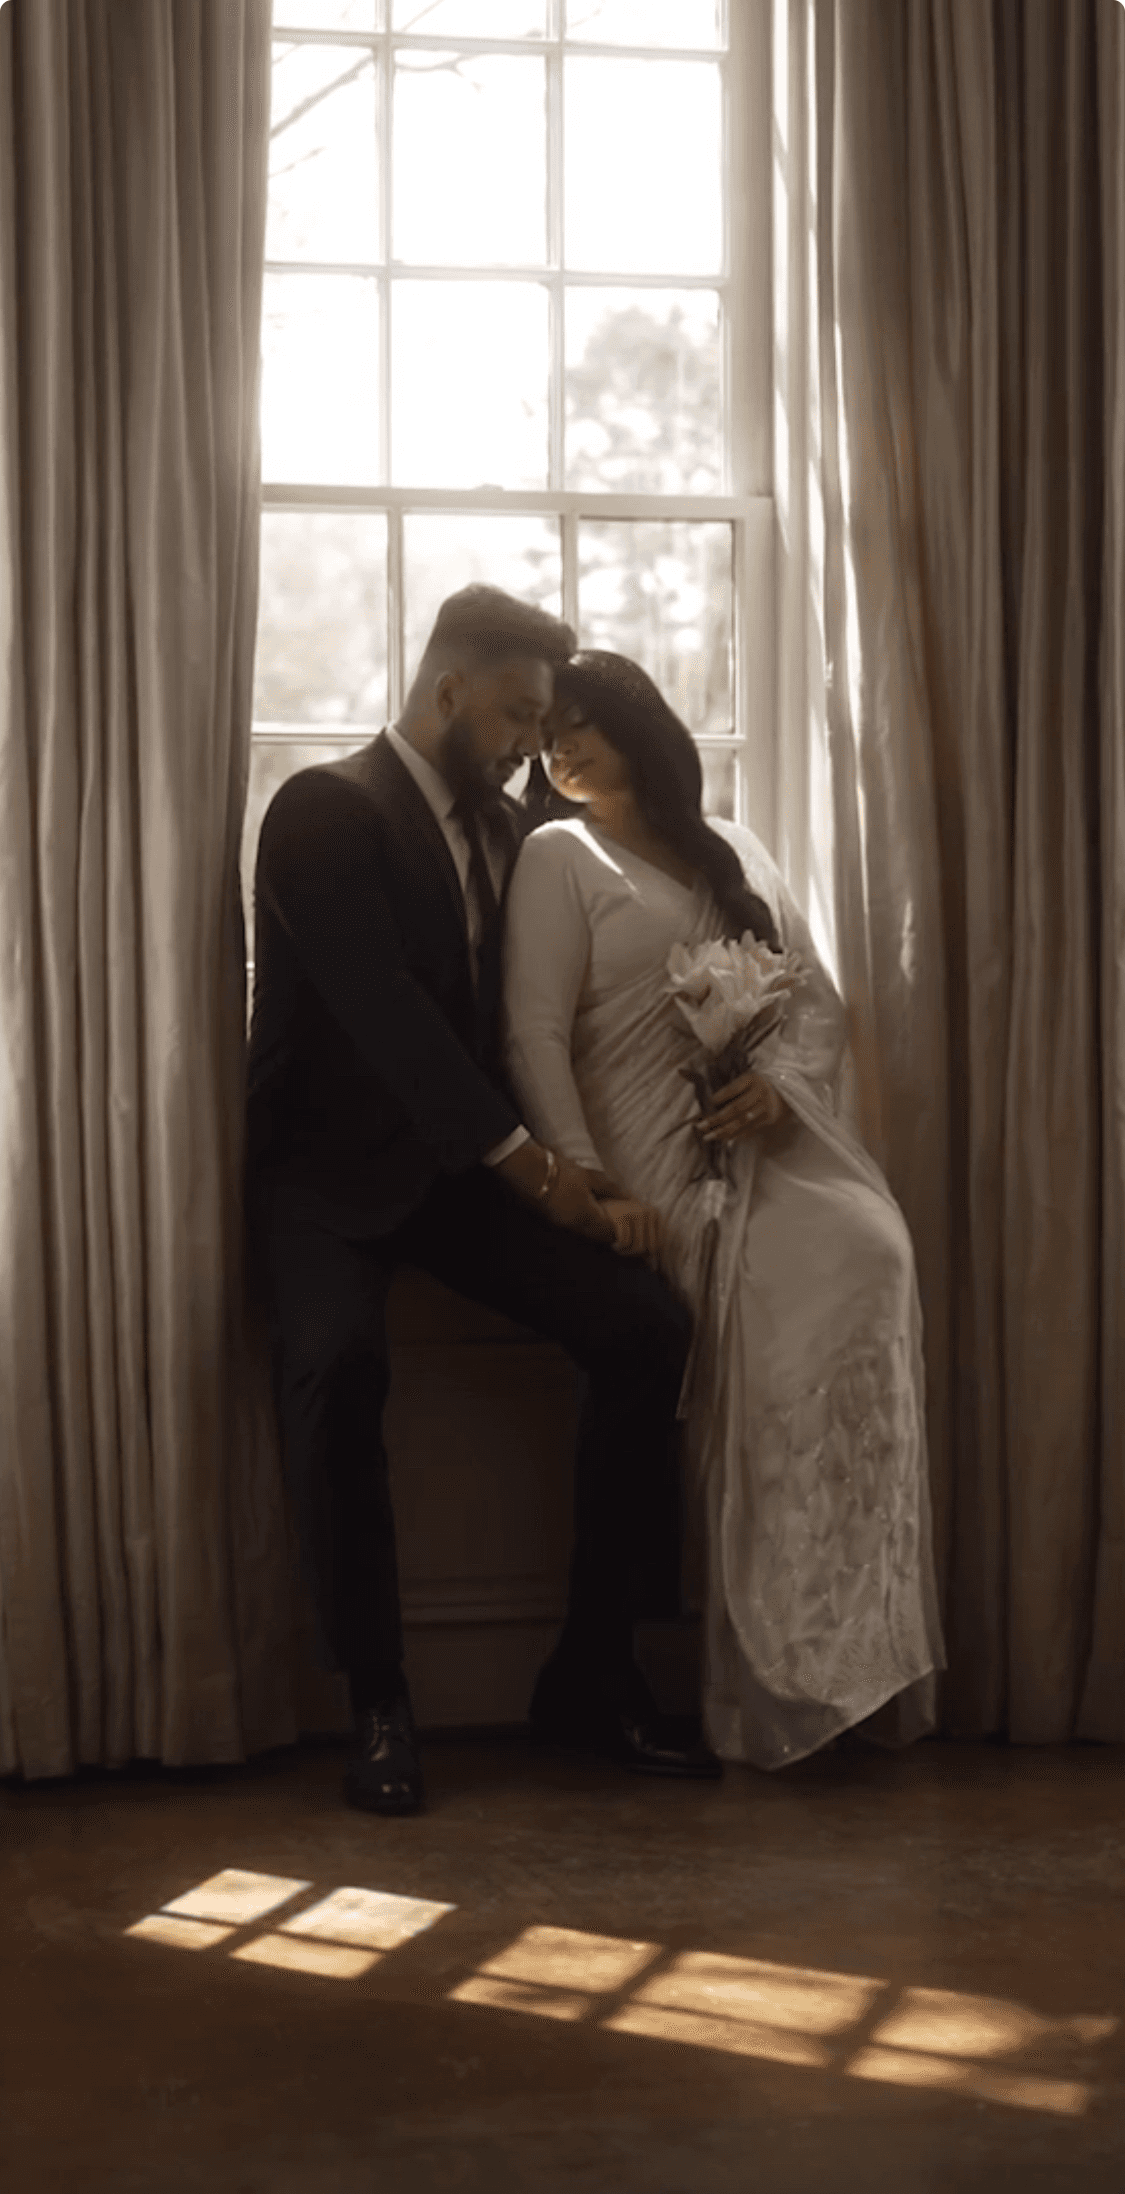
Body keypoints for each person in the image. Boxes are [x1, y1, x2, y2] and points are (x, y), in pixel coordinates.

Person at [246, 588, 721, 1818]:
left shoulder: (516, 834)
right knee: (340, 1366)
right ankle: (380, 1700)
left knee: (648, 1326)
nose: (530, 743)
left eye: (542, 719)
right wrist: (546, 1177)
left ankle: (594, 1672)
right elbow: (392, 1022)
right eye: (515, 714)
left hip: (458, 1179)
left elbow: (533, 1007)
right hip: (329, 1181)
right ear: (448, 692)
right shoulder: (321, 808)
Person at [503, 651, 946, 1771]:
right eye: (547, 733)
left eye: (582, 724)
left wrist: (774, 1090)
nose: (559, 748)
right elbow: (533, 1036)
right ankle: (781, 1679)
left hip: (769, 1141)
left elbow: (815, 1004)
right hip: (649, 1163)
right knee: (789, 1297)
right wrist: (591, 1182)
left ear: (636, 724)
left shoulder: (734, 847)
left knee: (873, 1250)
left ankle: (856, 1658)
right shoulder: (559, 854)